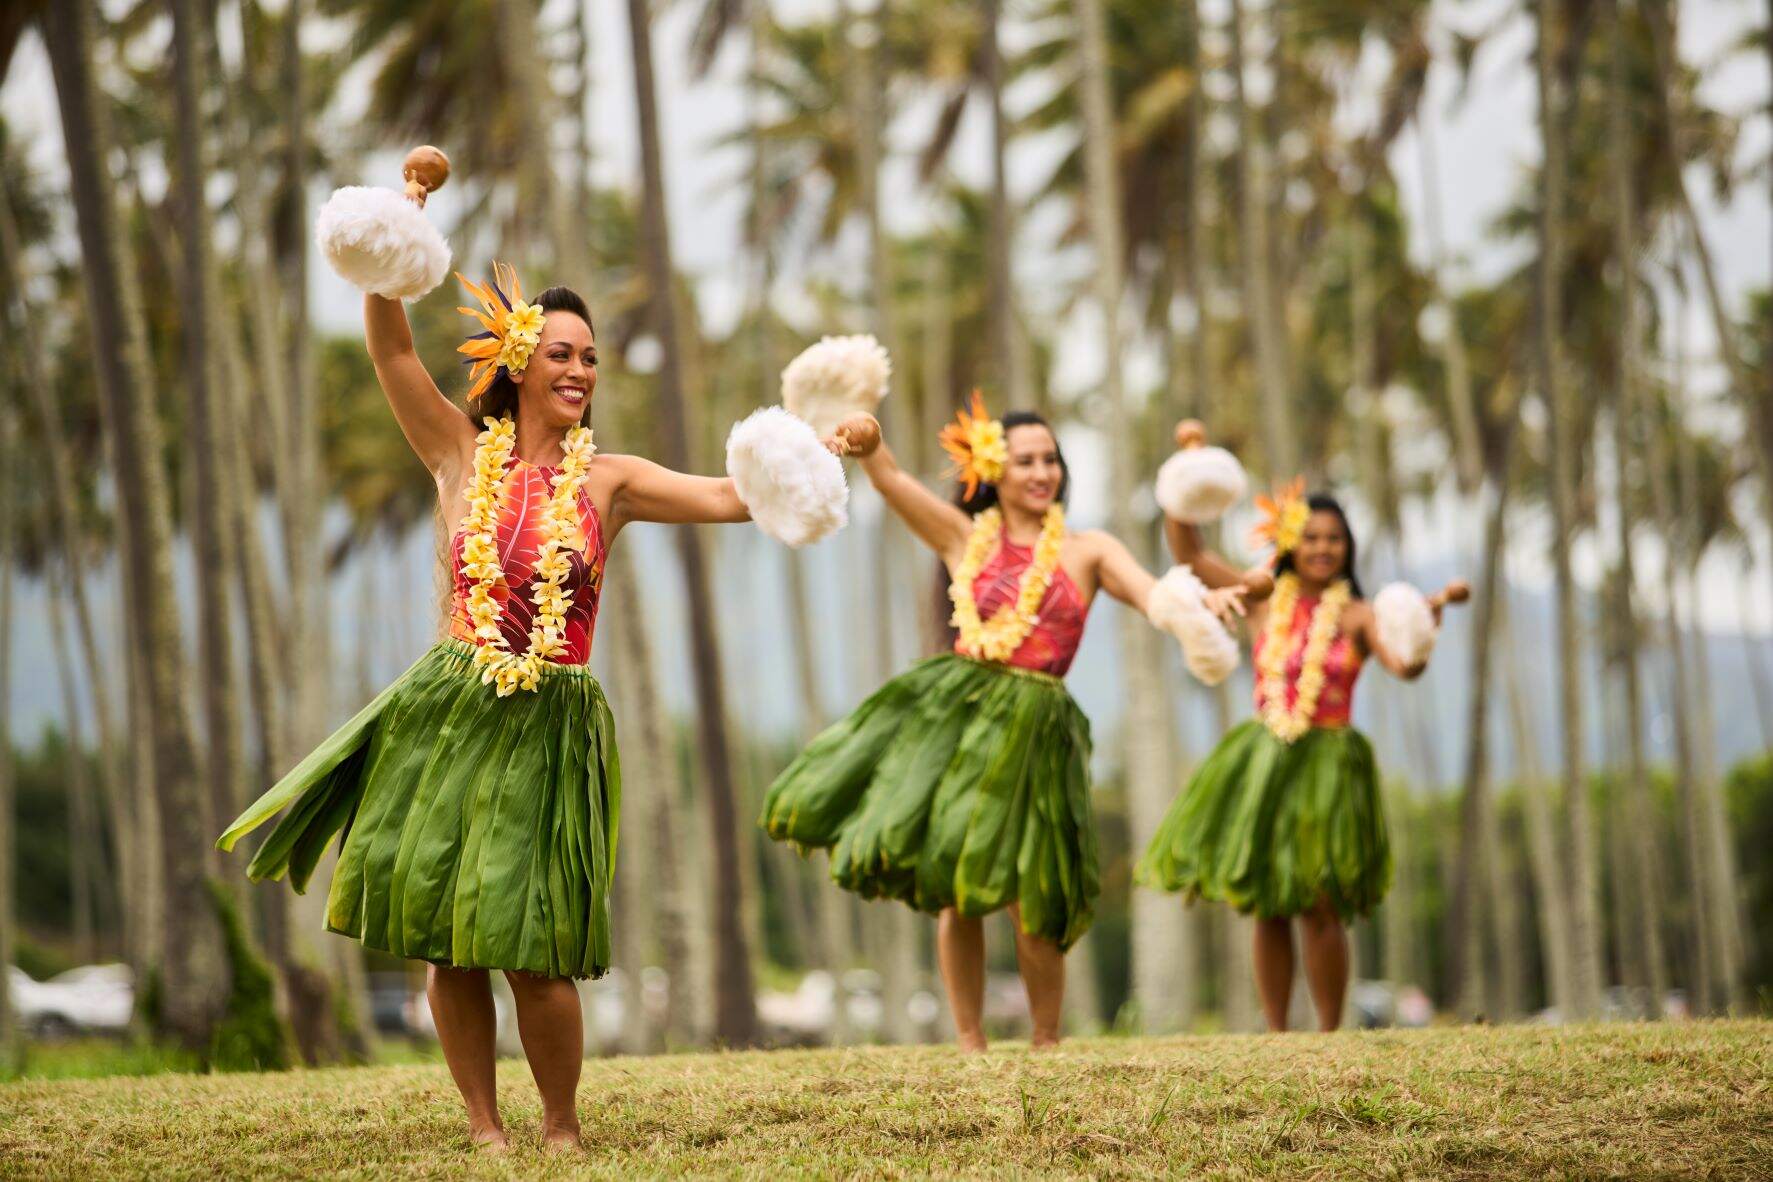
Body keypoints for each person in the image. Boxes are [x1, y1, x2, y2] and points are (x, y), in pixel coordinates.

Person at [217, 259, 831, 1151]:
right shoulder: (460, 454)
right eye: (561, 355)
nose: (580, 372)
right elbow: (390, 350)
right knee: (446, 934)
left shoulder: (608, 481)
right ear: (515, 363)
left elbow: (731, 497)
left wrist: (815, 450)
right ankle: (482, 1125)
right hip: (450, 711)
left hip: (551, 721)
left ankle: (561, 1126)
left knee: (534, 946)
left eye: (590, 359)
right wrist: (399, 224)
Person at [760, 396, 1249, 1050]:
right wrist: (871, 442)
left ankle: (1045, 1041)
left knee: (1033, 893)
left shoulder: (1088, 548)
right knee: (956, 889)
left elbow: (1152, 593)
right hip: (961, 721)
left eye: (1050, 459)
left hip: (1040, 729)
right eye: (1025, 461)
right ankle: (970, 1040)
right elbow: (893, 481)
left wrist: (1197, 602)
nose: (1041, 471)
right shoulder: (963, 537)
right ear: (994, 469)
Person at [1138, 469, 1463, 1032]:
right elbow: (1190, 553)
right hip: (1267, 760)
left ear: (1348, 548)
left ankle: (1331, 1032)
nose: (1321, 548)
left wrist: (1422, 630)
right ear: (1289, 543)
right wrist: (1184, 486)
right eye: (1310, 537)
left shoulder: (1360, 614)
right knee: (1268, 900)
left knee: (1319, 900)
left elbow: (1404, 666)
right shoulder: (1263, 599)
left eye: (1333, 539)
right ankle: (1278, 1032)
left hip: (1331, 764)